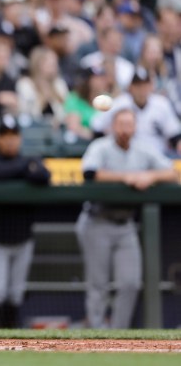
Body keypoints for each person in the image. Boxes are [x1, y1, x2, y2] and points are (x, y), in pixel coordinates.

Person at [77, 109, 178, 328]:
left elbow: (172, 173)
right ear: (113, 126)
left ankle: (117, 334)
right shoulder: (100, 146)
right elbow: (90, 172)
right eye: (120, 124)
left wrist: (148, 175)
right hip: (97, 220)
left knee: (130, 283)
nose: (124, 129)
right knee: (98, 285)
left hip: (126, 224)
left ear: (135, 127)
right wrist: (127, 177)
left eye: (129, 124)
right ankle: (97, 336)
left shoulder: (143, 149)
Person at [0, 116, 51, 328]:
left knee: (16, 294)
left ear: (19, 138)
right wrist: (25, 168)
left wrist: (27, 167)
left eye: (13, 136)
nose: (9, 141)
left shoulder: (30, 159)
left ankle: (11, 335)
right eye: (5, 136)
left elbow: (45, 176)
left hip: (23, 238)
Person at [91, 67, 181, 156]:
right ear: (131, 87)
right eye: (138, 85)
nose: (142, 89)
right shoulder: (119, 103)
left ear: (151, 86)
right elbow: (98, 127)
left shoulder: (161, 104)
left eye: (145, 85)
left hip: (158, 155)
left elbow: (174, 134)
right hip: (125, 156)